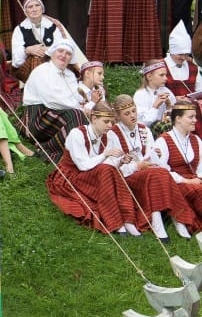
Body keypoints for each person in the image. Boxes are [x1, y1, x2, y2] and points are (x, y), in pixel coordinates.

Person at [46, 101, 142, 236]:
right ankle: (117, 222)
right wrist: (105, 154)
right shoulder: (77, 134)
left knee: (112, 170)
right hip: (72, 176)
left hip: (94, 174)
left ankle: (128, 219)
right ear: (94, 119)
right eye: (106, 121)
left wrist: (121, 161)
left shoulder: (108, 136)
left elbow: (110, 163)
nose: (110, 125)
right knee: (106, 170)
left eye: (112, 122)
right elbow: (83, 165)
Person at [109, 94, 197, 241]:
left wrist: (153, 157)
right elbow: (116, 167)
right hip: (127, 177)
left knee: (161, 172)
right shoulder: (113, 134)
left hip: (148, 172)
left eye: (134, 111)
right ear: (118, 116)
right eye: (127, 113)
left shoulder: (144, 129)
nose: (132, 115)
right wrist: (138, 166)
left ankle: (174, 220)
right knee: (157, 174)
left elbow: (151, 156)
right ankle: (163, 221)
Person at [22, 40, 87, 161]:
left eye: (68, 53)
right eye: (60, 51)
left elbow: (76, 96)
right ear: (52, 53)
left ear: (70, 58)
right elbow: (52, 101)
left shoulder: (69, 75)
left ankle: (80, 152)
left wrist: (86, 105)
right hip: (37, 118)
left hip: (56, 114)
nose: (63, 55)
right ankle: (48, 149)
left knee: (85, 117)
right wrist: (81, 109)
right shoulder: (42, 71)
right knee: (77, 115)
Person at [150, 99, 202, 230]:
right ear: (178, 118)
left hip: (196, 181)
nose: (195, 120)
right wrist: (186, 181)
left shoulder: (196, 139)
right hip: (177, 184)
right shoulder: (163, 141)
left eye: (195, 116)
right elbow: (162, 172)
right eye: (191, 117)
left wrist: (198, 179)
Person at [10, 0, 66, 83]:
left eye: (37, 5)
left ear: (42, 8)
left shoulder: (53, 26)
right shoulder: (19, 29)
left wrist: (48, 50)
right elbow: (17, 62)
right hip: (27, 71)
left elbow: (62, 49)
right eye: (30, 7)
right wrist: (28, 50)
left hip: (52, 65)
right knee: (36, 59)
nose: (34, 9)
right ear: (26, 11)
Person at [133, 59, 175, 129]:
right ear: (149, 76)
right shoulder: (140, 95)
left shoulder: (166, 90)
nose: (166, 78)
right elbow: (143, 123)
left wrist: (169, 107)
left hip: (165, 130)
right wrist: (155, 106)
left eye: (165, 75)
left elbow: (172, 119)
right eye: (161, 75)